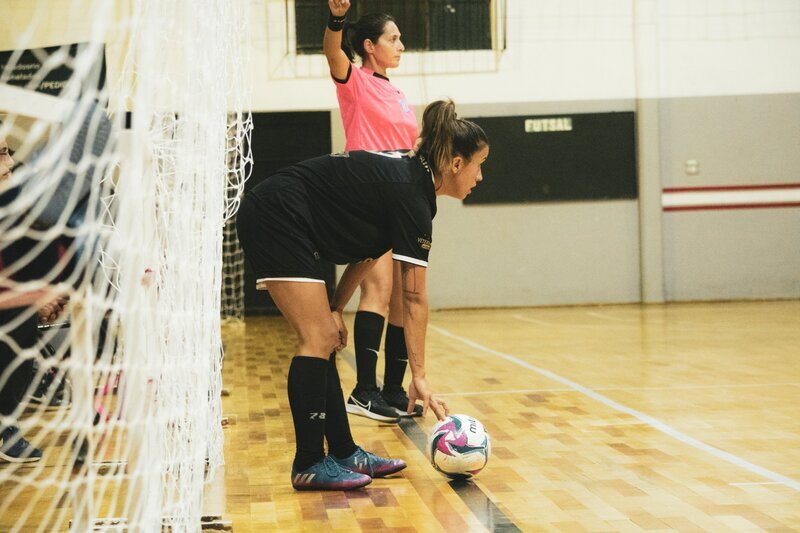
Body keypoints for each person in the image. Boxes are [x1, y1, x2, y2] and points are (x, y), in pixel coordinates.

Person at [236, 98, 489, 490]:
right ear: (456, 163)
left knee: (328, 336)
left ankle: (342, 451)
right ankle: (308, 463)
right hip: (277, 215)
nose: (480, 176)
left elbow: (367, 253)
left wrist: (337, 307)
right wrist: (418, 376)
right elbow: (414, 297)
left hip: (290, 218)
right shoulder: (411, 192)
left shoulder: (412, 183)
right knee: (316, 337)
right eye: (479, 165)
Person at [324, 0, 421, 423]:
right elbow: (332, 52)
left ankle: (393, 390)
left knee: (401, 295)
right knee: (378, 289)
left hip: (402, 196)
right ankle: (363, 391)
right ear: (369, 46)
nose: (401, 44)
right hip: (370, 193)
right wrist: (336, 19)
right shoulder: (356, 82)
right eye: (393, 39)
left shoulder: (397, 92)